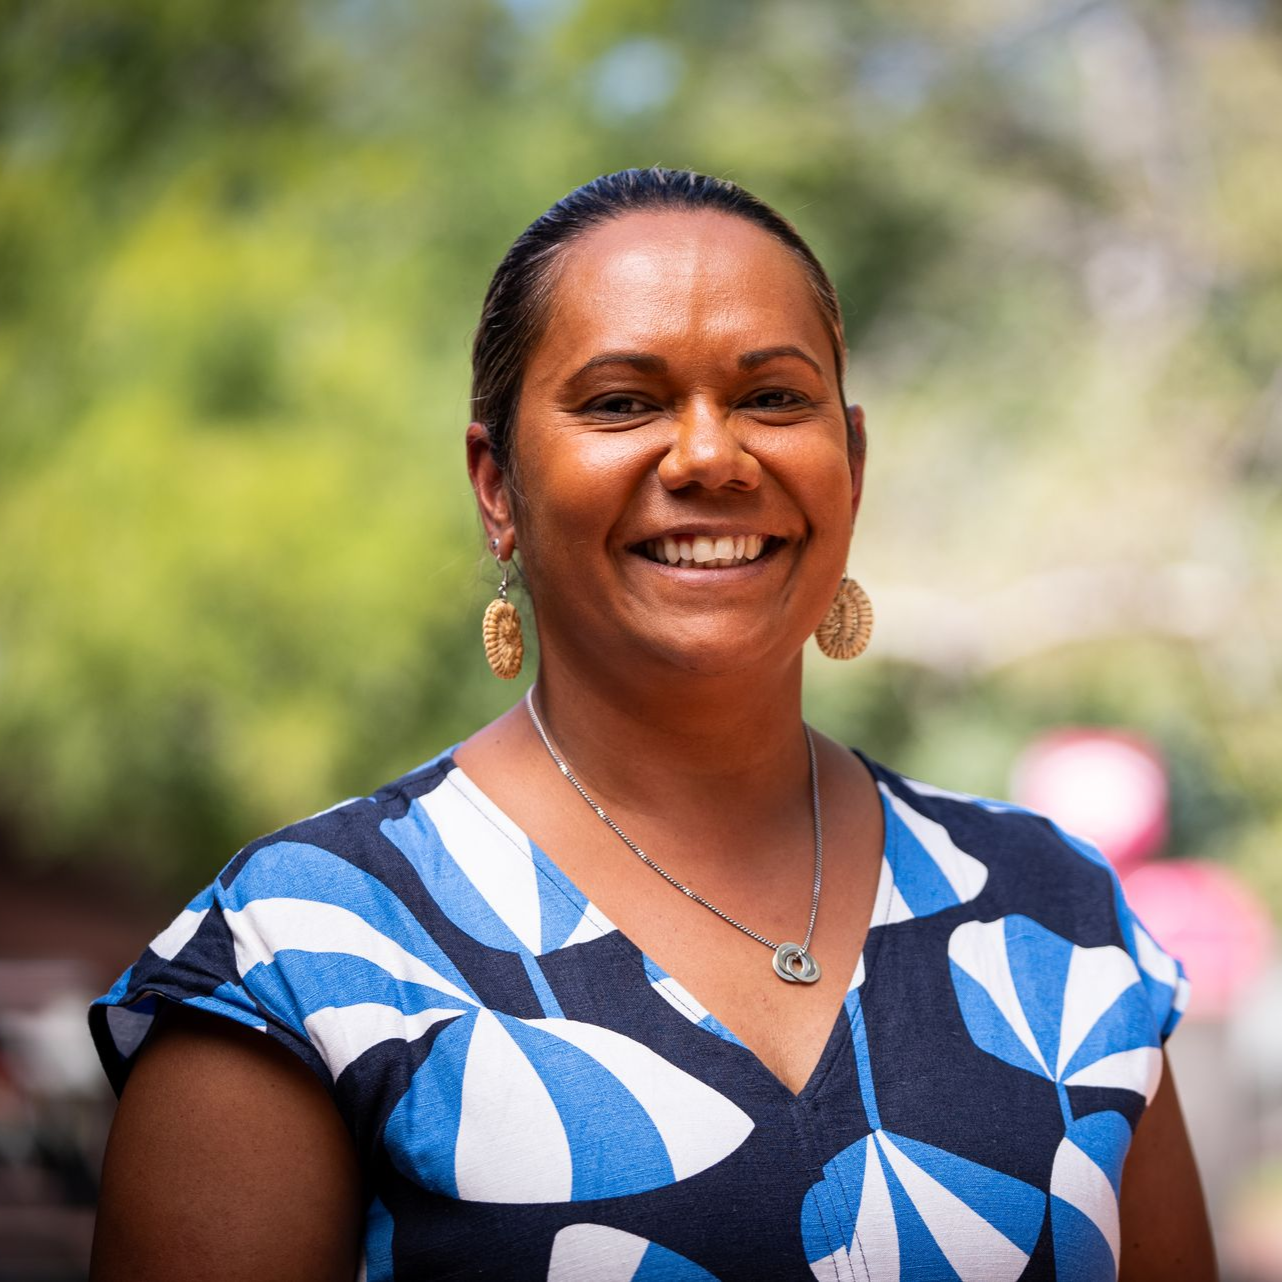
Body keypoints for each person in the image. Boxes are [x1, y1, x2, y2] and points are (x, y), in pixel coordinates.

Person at [88, 167, 1215, 1281]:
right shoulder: (307, 949)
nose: (711, 455)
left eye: (773, 397)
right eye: (622, 401)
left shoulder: (1059, 918)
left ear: (852, 465)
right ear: (497, 487)